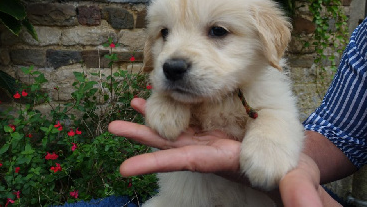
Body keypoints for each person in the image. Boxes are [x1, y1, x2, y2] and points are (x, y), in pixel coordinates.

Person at [108, 16, 367, 206]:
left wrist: (270, 131)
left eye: (218, 31)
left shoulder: (265, 87)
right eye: (165, 32)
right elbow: (338, 134)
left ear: (265, 35)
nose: (174, 56)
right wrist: (165, 99)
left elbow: (278, 113)